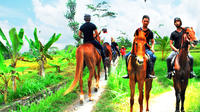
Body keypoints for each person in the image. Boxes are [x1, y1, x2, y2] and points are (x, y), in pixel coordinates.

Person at [122, 15, 156, 79]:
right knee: (126, 56)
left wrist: (152, 47)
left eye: (147, 21)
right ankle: (128, 73)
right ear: (142, 21)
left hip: (146, 49)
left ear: (149, 22)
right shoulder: (137, 30)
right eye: (144, 21)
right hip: (137, 48)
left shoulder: (150, 32)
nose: (146, 22)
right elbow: (134, 40)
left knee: (153, 57)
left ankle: (148, 73)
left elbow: (153, 41)